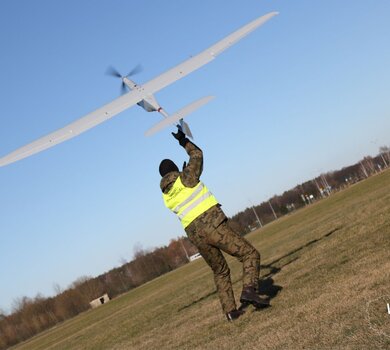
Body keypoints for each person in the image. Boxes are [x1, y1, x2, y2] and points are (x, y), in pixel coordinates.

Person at [159, 128, 269, 321]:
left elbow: (182, 189)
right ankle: (250, 289)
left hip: (196, 237)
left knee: (220, 271)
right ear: (176, 170)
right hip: (213, 226)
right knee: (249, 254)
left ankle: (230, 311)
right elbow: (197, 154)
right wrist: (183, 140)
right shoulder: (186, 178)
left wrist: (184, 173)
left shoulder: (167, 197)